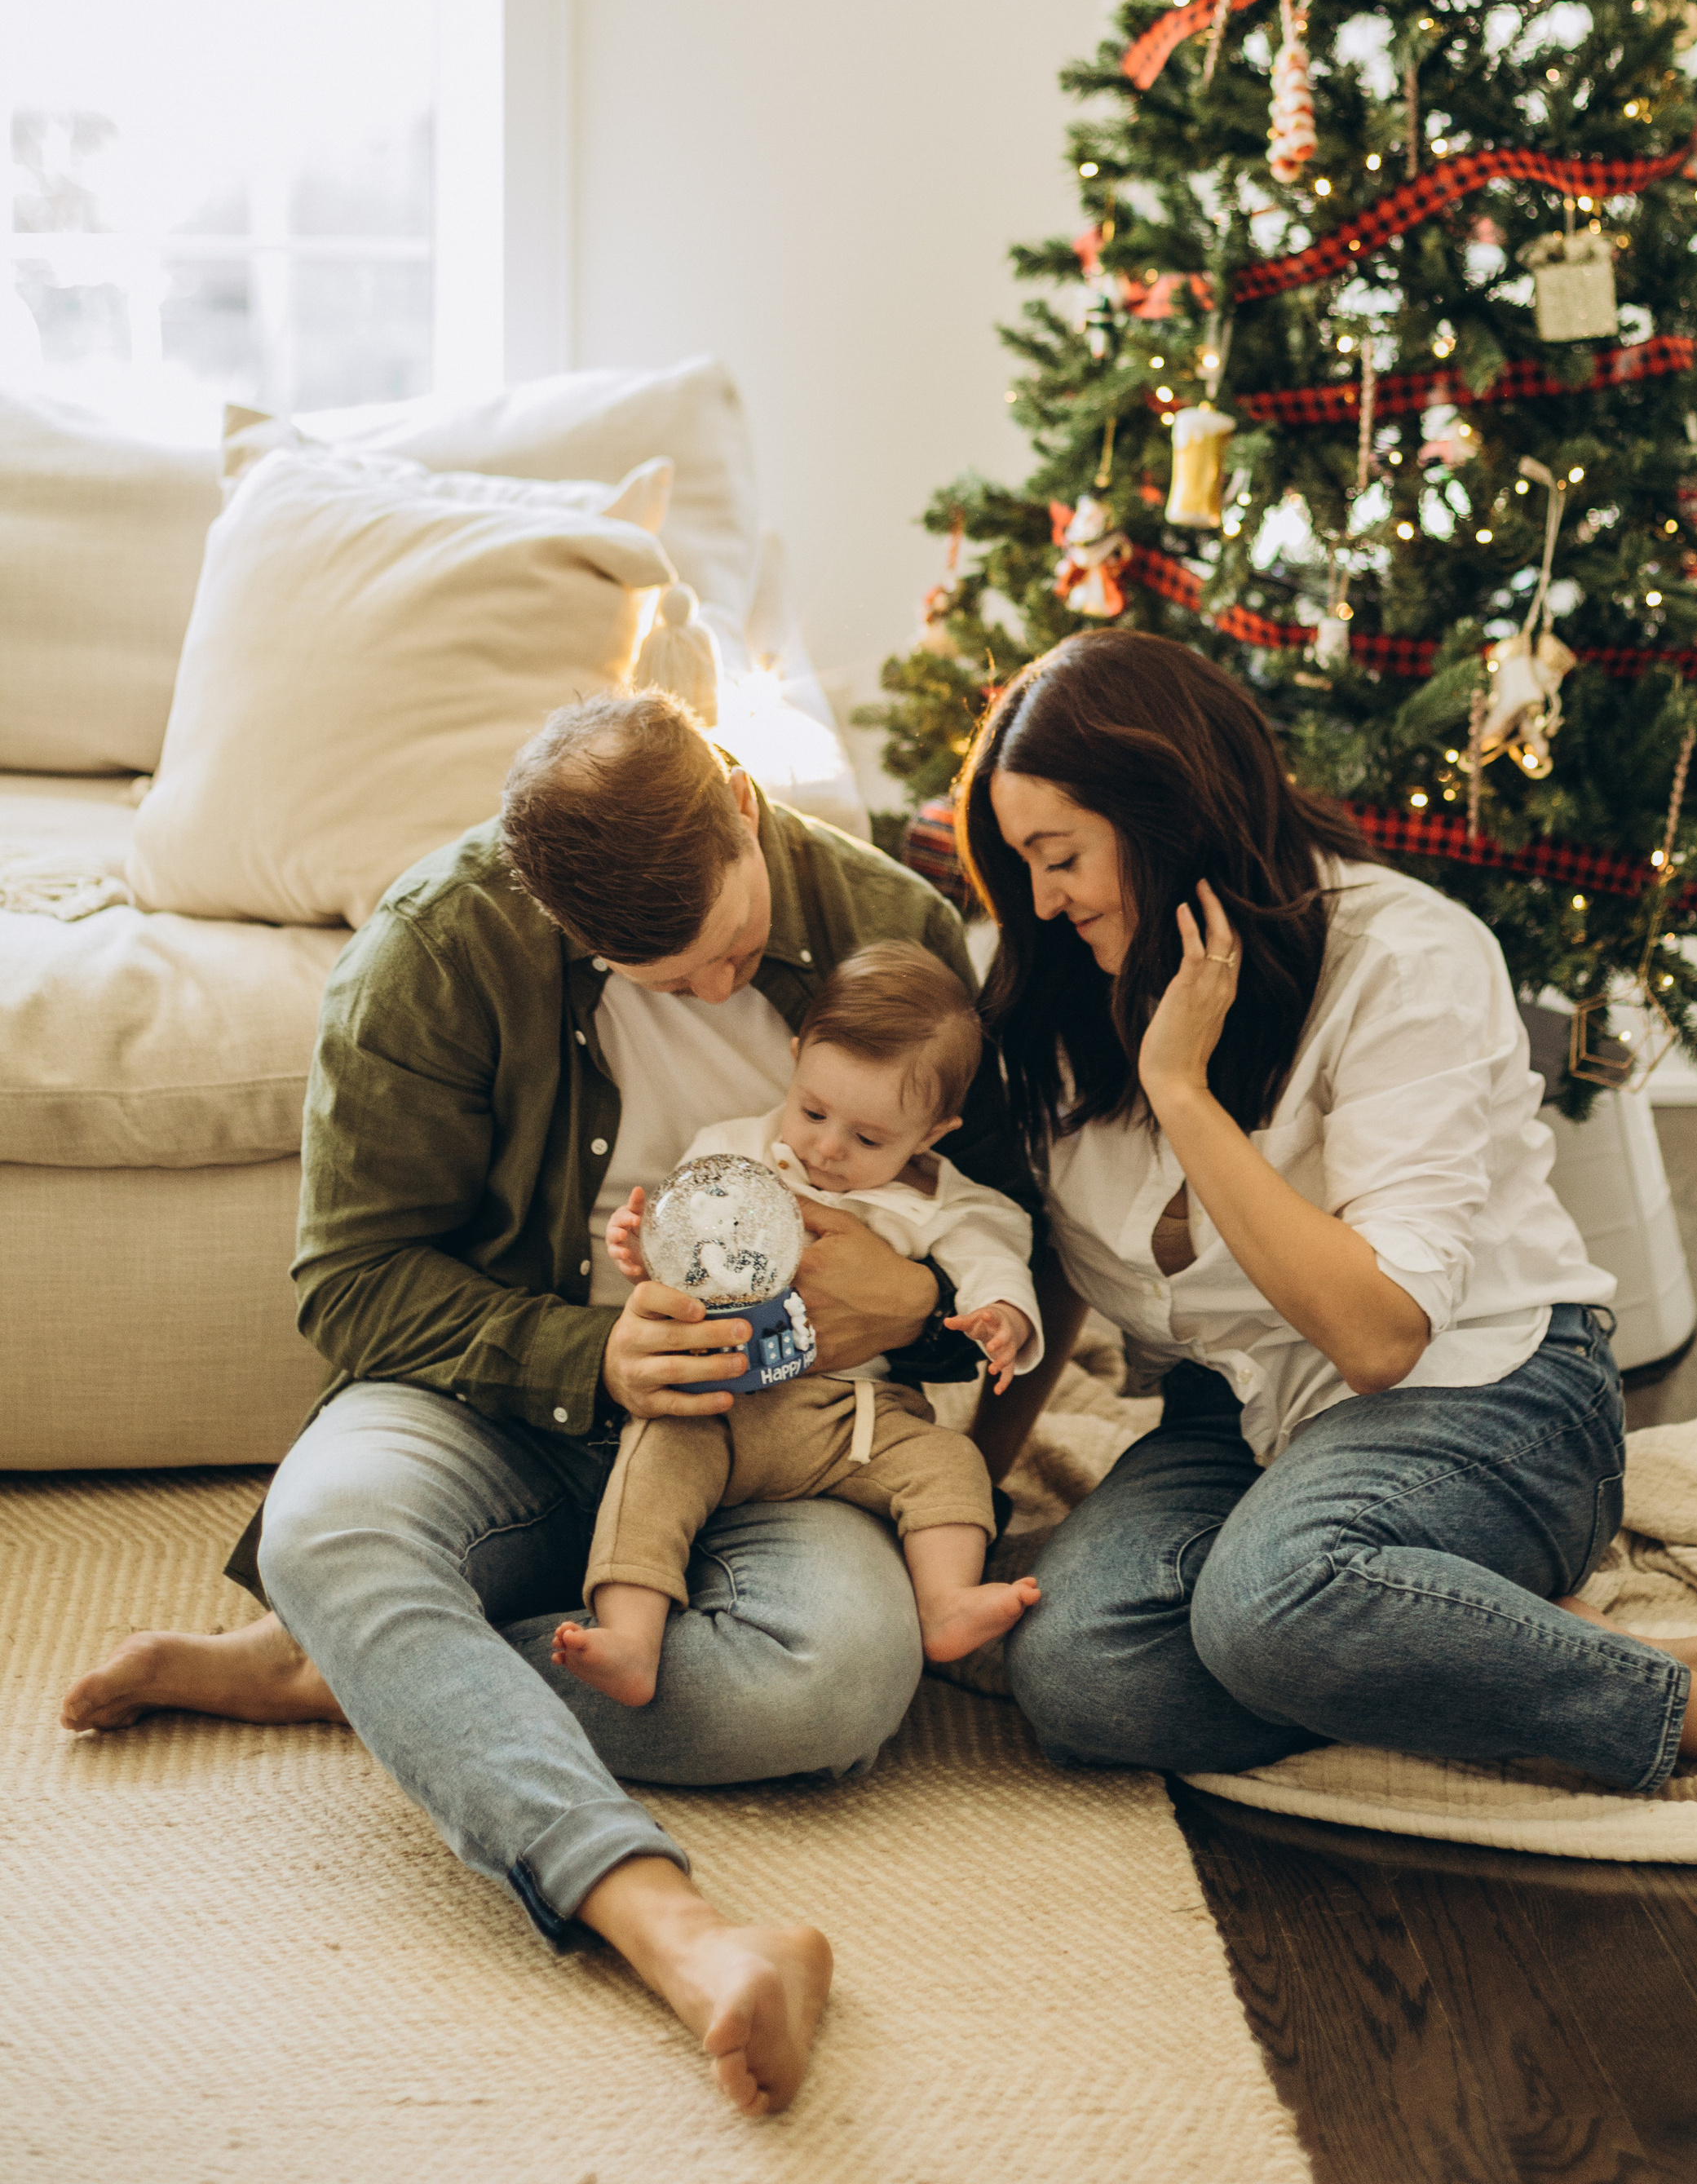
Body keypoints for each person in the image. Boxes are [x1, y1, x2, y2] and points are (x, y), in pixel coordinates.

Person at [61, 690, 1036, 2120]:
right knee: (328, 1530)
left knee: (836, 1682)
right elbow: (352, 1282)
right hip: (502, 1404)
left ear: (743, 810)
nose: (713, 996)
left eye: (737, 958)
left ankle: (363, 1668)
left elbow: (997, 1237)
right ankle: (682, 1937)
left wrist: (918, 1310)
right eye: (661, 973)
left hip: (786, 1437)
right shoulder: (434, 950)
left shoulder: (895, 932)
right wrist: (588, 1354)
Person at [961, 630, 1697, 1800]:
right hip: (1242, 1411)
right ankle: (1519, 1643)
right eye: (1025, 868)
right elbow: (1049, 1266)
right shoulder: (1068, 986)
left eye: (1060, 857)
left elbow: (1380, 1338)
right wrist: (967, 1498)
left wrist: (1183, 1094)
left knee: (1268, 1604)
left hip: (1486, 1391)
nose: (1045, 903)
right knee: (1080, 1673)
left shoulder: (1405, 958)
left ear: (1166, 816)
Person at [553, 939, 1044, 1708]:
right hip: (725, 1400)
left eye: (870, 1139)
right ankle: (629, 1636)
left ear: (934, 1133)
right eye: (812, 1109)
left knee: (952, 1464)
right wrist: (644, 1251)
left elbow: (998, 1259)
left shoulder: (948, 1202)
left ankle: (946, 1601)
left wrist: (1005, 1317)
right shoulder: (734, 1151)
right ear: (794, 1061)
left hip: (860, 1417)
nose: (825, 1146)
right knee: (651, 1463)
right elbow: (691, 1253)